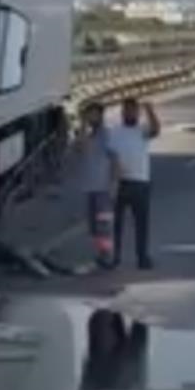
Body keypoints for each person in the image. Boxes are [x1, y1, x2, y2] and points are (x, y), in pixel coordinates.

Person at [106, 97, 161, 270]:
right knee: (116, 224)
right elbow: (111, 157)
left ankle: (142, 257)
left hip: (140, 182)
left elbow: (155, 130)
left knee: (141, 223)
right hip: (121, 182)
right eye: (126, 110)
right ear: (122, 112)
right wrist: (112, 181)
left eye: (133, 110)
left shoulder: (142, 130)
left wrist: (150, 111)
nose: (129, 113)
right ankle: (115, 257)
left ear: (137, 113)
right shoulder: (115, 132)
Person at [78, 101, 119, 269]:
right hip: (91, 188)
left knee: (104, 226)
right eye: (88, 115)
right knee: (95, 228)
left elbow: (115, 159)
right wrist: (82, 124)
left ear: (100, 116)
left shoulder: (106, 135)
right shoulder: (90, 136)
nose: (90, 118)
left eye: (93, 114)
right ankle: (102, 255)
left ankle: (107, 257)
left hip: (103, 188)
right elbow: (81, 147)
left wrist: (114, 183)